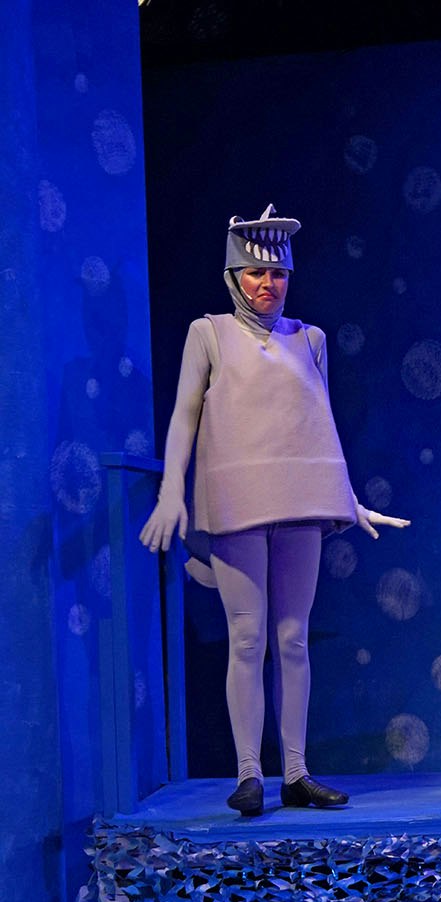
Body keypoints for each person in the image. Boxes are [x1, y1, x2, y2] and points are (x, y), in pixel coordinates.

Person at [139, 205, 409, 818]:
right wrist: (172, 491)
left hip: (298, 501)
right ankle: (248, 774)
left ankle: (296, 772)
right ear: (234, 276)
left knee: (292, 638)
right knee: (247, 635)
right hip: (237, 501)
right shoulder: (208, 333)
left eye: (278, 275)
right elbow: (184, 415)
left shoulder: (309, 339)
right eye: (256, 275)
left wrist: (346, 498)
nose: (268, 285)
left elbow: (319, 424)